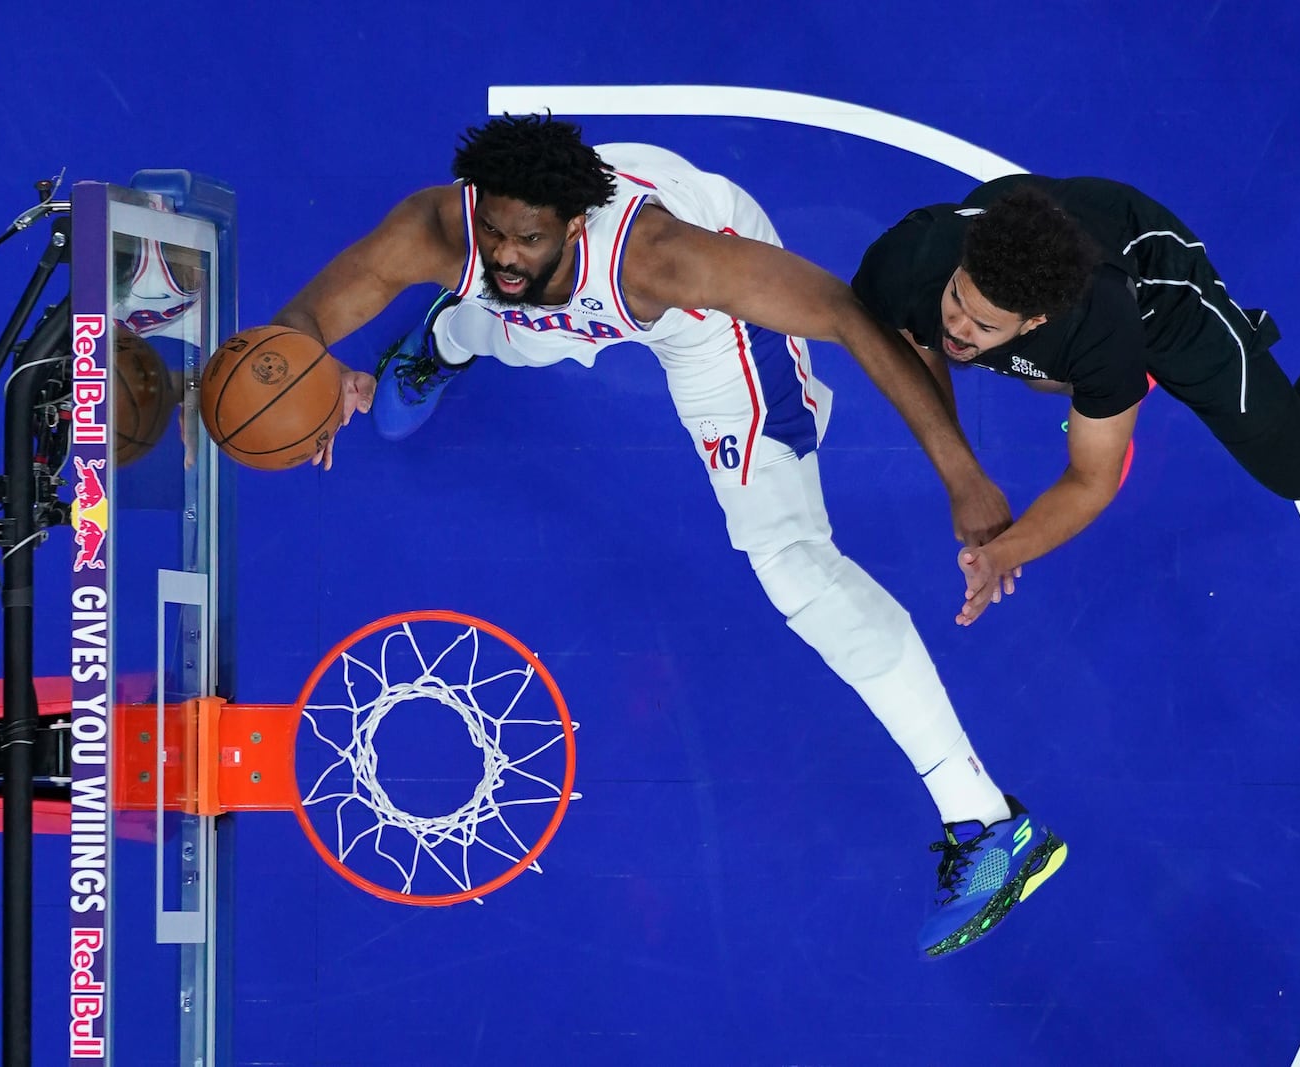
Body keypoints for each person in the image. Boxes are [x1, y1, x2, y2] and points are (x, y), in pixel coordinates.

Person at [269, 114, 1064, 956]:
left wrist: (961, 472)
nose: (503, 249)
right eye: (493, 226)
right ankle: (444, 335)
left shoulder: (669, 259)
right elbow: (307, 318)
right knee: (507, 323)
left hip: (706, 319)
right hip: (580, 297)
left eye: (527, 235)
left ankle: (986, 822)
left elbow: (841, 314)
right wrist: (299, 376)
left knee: (791, 560)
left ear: (573, 223)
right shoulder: (449, 227)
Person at [850, 174, 1300, 624]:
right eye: (957, 298)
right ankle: (1108, 403)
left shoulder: (1100, 329)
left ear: (1035, 322)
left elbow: (1090, 481)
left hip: (1162, 301)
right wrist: (962, 471)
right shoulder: (913, 256)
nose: (956, 326)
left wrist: (1007, 552)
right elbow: (902, 339)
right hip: (1074, 290)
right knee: (1040, 375)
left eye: (983, 325)